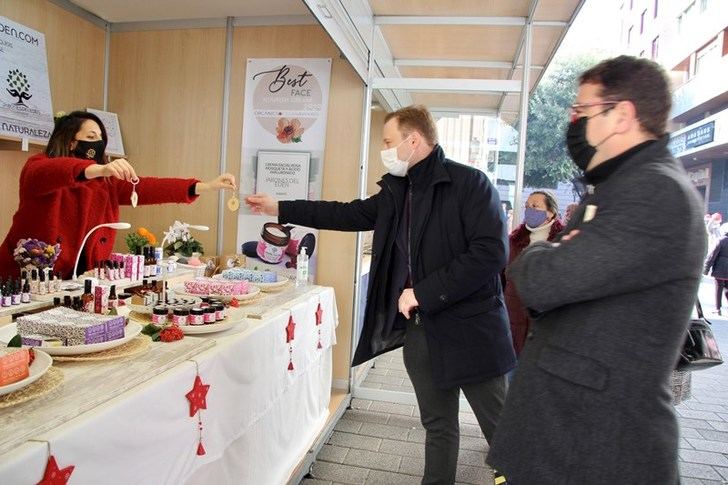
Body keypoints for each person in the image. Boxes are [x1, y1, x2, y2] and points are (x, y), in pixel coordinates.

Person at [246, 105, 516, 484]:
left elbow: (491, 253)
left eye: (389, 142)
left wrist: (423, 292)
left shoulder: (471, 184)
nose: (384, 150)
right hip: (421, 328)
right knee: (438, 424)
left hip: (472, 329)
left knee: (502, 433)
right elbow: (347, 214)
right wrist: (281, 207)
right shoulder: (398, 190)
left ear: (414, 140)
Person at [487, 56, 706, 484]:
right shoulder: (619, 187)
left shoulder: (654, 190)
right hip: (571, 435)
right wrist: (557, 253)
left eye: (582, 111)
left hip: (596, 445)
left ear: (621, 115)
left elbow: (544, 281)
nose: (574, 122)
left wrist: (541, 256)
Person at [0, 111, 236, 279]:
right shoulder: (38, 166)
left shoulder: (105, 182)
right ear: (71, 143)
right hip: (22, 281)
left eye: (101, 138)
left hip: (77, 281)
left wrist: (204, 186)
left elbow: (145, 188)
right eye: (91, 137)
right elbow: (54, 171)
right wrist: (99, 169)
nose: (99, 143)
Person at [504, 191, 564, 356]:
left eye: (535, 206)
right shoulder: (514, 240)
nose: (529, 210)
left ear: (551, 212)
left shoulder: (562, 241)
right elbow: (503, 275)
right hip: (514, 315)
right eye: (527, 206)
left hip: (545, 318)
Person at [704, 228, 728, 315]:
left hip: (720, 269)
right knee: (727, 289)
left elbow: (712, 256)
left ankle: (718, 309)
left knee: (719, 288)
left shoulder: (720, 240)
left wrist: (706, 269)